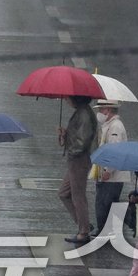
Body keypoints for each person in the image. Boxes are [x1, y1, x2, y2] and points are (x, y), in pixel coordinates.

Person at [58, 95, 97, 244]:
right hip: (76, 160)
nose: (66, 100)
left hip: (79, 160)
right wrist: (66, 135)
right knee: (63, 193)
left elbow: (82, 141)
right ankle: (84, 224)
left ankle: (84, 231)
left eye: (68, 98)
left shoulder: (84, 115)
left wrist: (71, 150)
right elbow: (77, 136)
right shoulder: (80, 112)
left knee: (78, 196)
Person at [91, 100, 131, 235]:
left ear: (107, 109)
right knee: (104, 202)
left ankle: (105, 230)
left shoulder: (115, 127)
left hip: (112, 175)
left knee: (106, 203)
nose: (99, 113)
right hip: (105, 172)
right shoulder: (108, 125)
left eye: (100, 110)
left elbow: (115, 151)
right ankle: (104, 229)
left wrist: (108, 170)